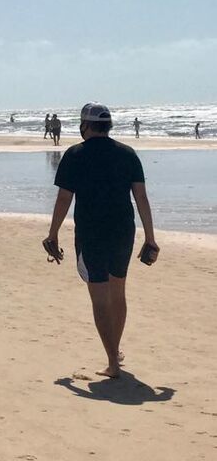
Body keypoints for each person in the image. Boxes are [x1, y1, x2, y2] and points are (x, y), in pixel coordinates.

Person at [43, 103, 158, 379]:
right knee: (118, 292)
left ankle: (112, 361)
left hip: (92, 232)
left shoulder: (75, 155)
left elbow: (64, 198)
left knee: (99, 296)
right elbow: (141, 197)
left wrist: (53, 233)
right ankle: (114, 351)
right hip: (123, 231)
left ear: (85, 125)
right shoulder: (127, 154)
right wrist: (150, 238)